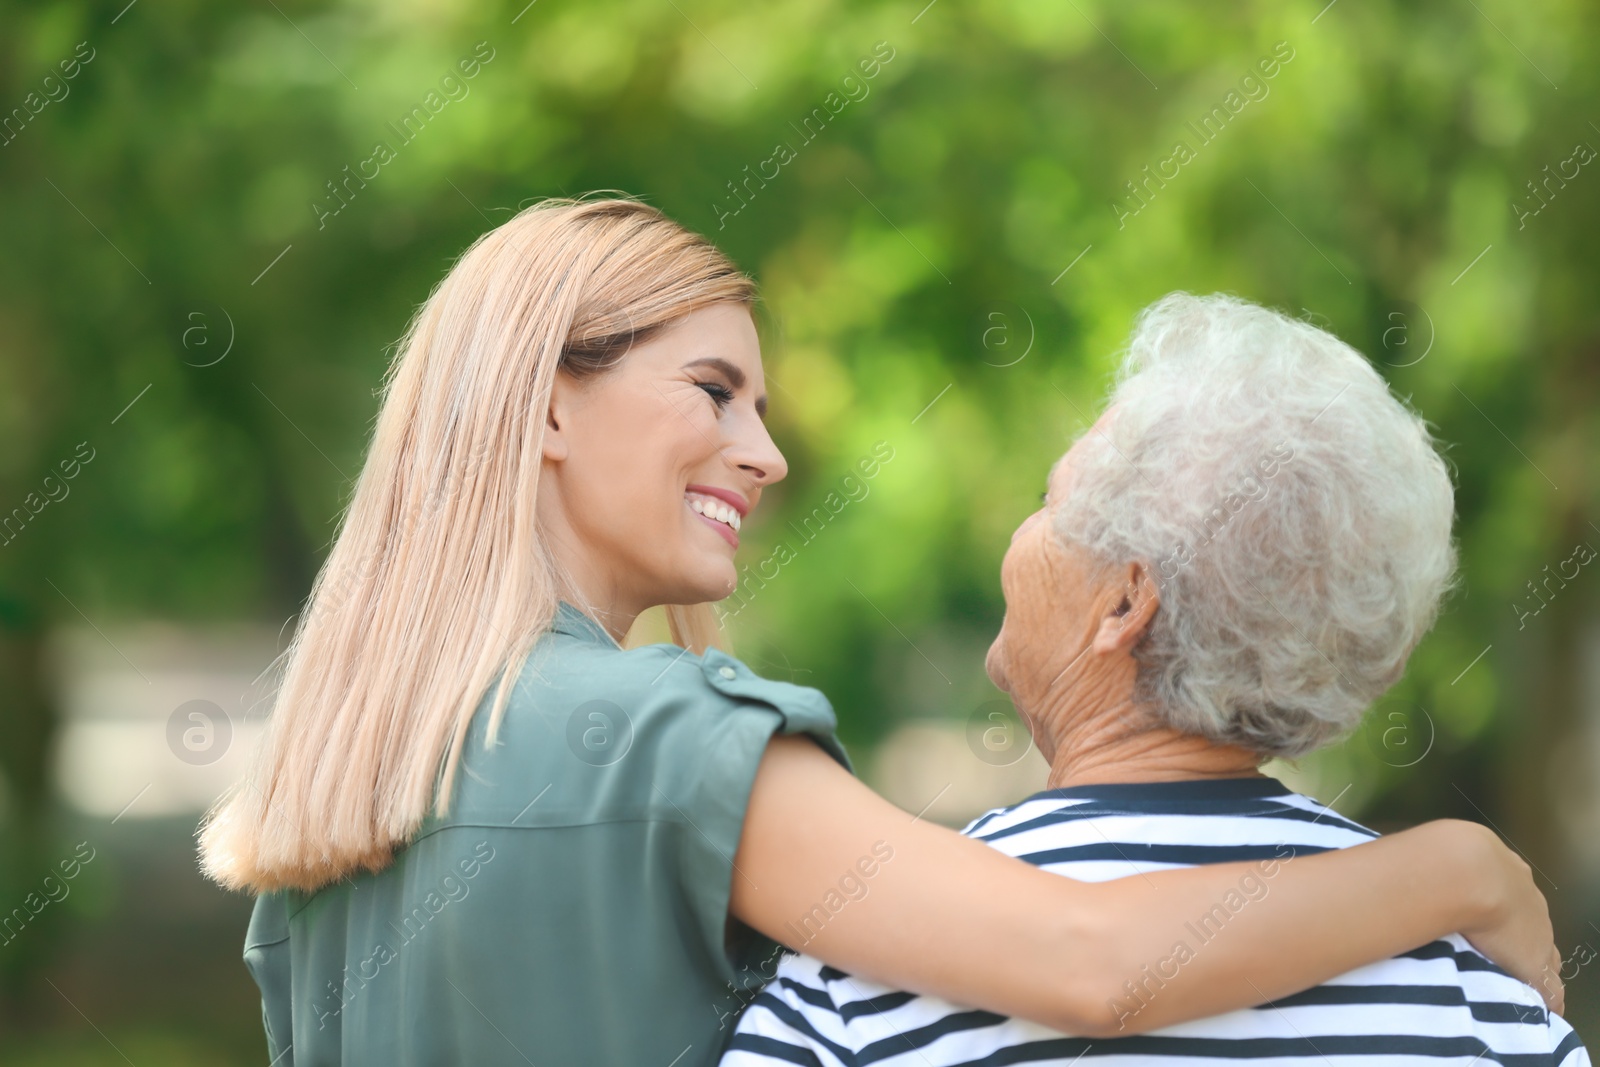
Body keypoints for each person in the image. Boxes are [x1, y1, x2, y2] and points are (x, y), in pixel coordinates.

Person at [198, 201, 1561, 1066]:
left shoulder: (334, 792)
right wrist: (1459, 866)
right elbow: (1091, 964)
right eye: (715, 390)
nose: (768, 452)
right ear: (545, 405)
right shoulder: (668, 742)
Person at [722, 293, 1588, 1066]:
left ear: (1126, 601)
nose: (1024, 531)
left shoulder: (869, 974)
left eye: (1050, 501)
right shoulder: (1490, 1000)